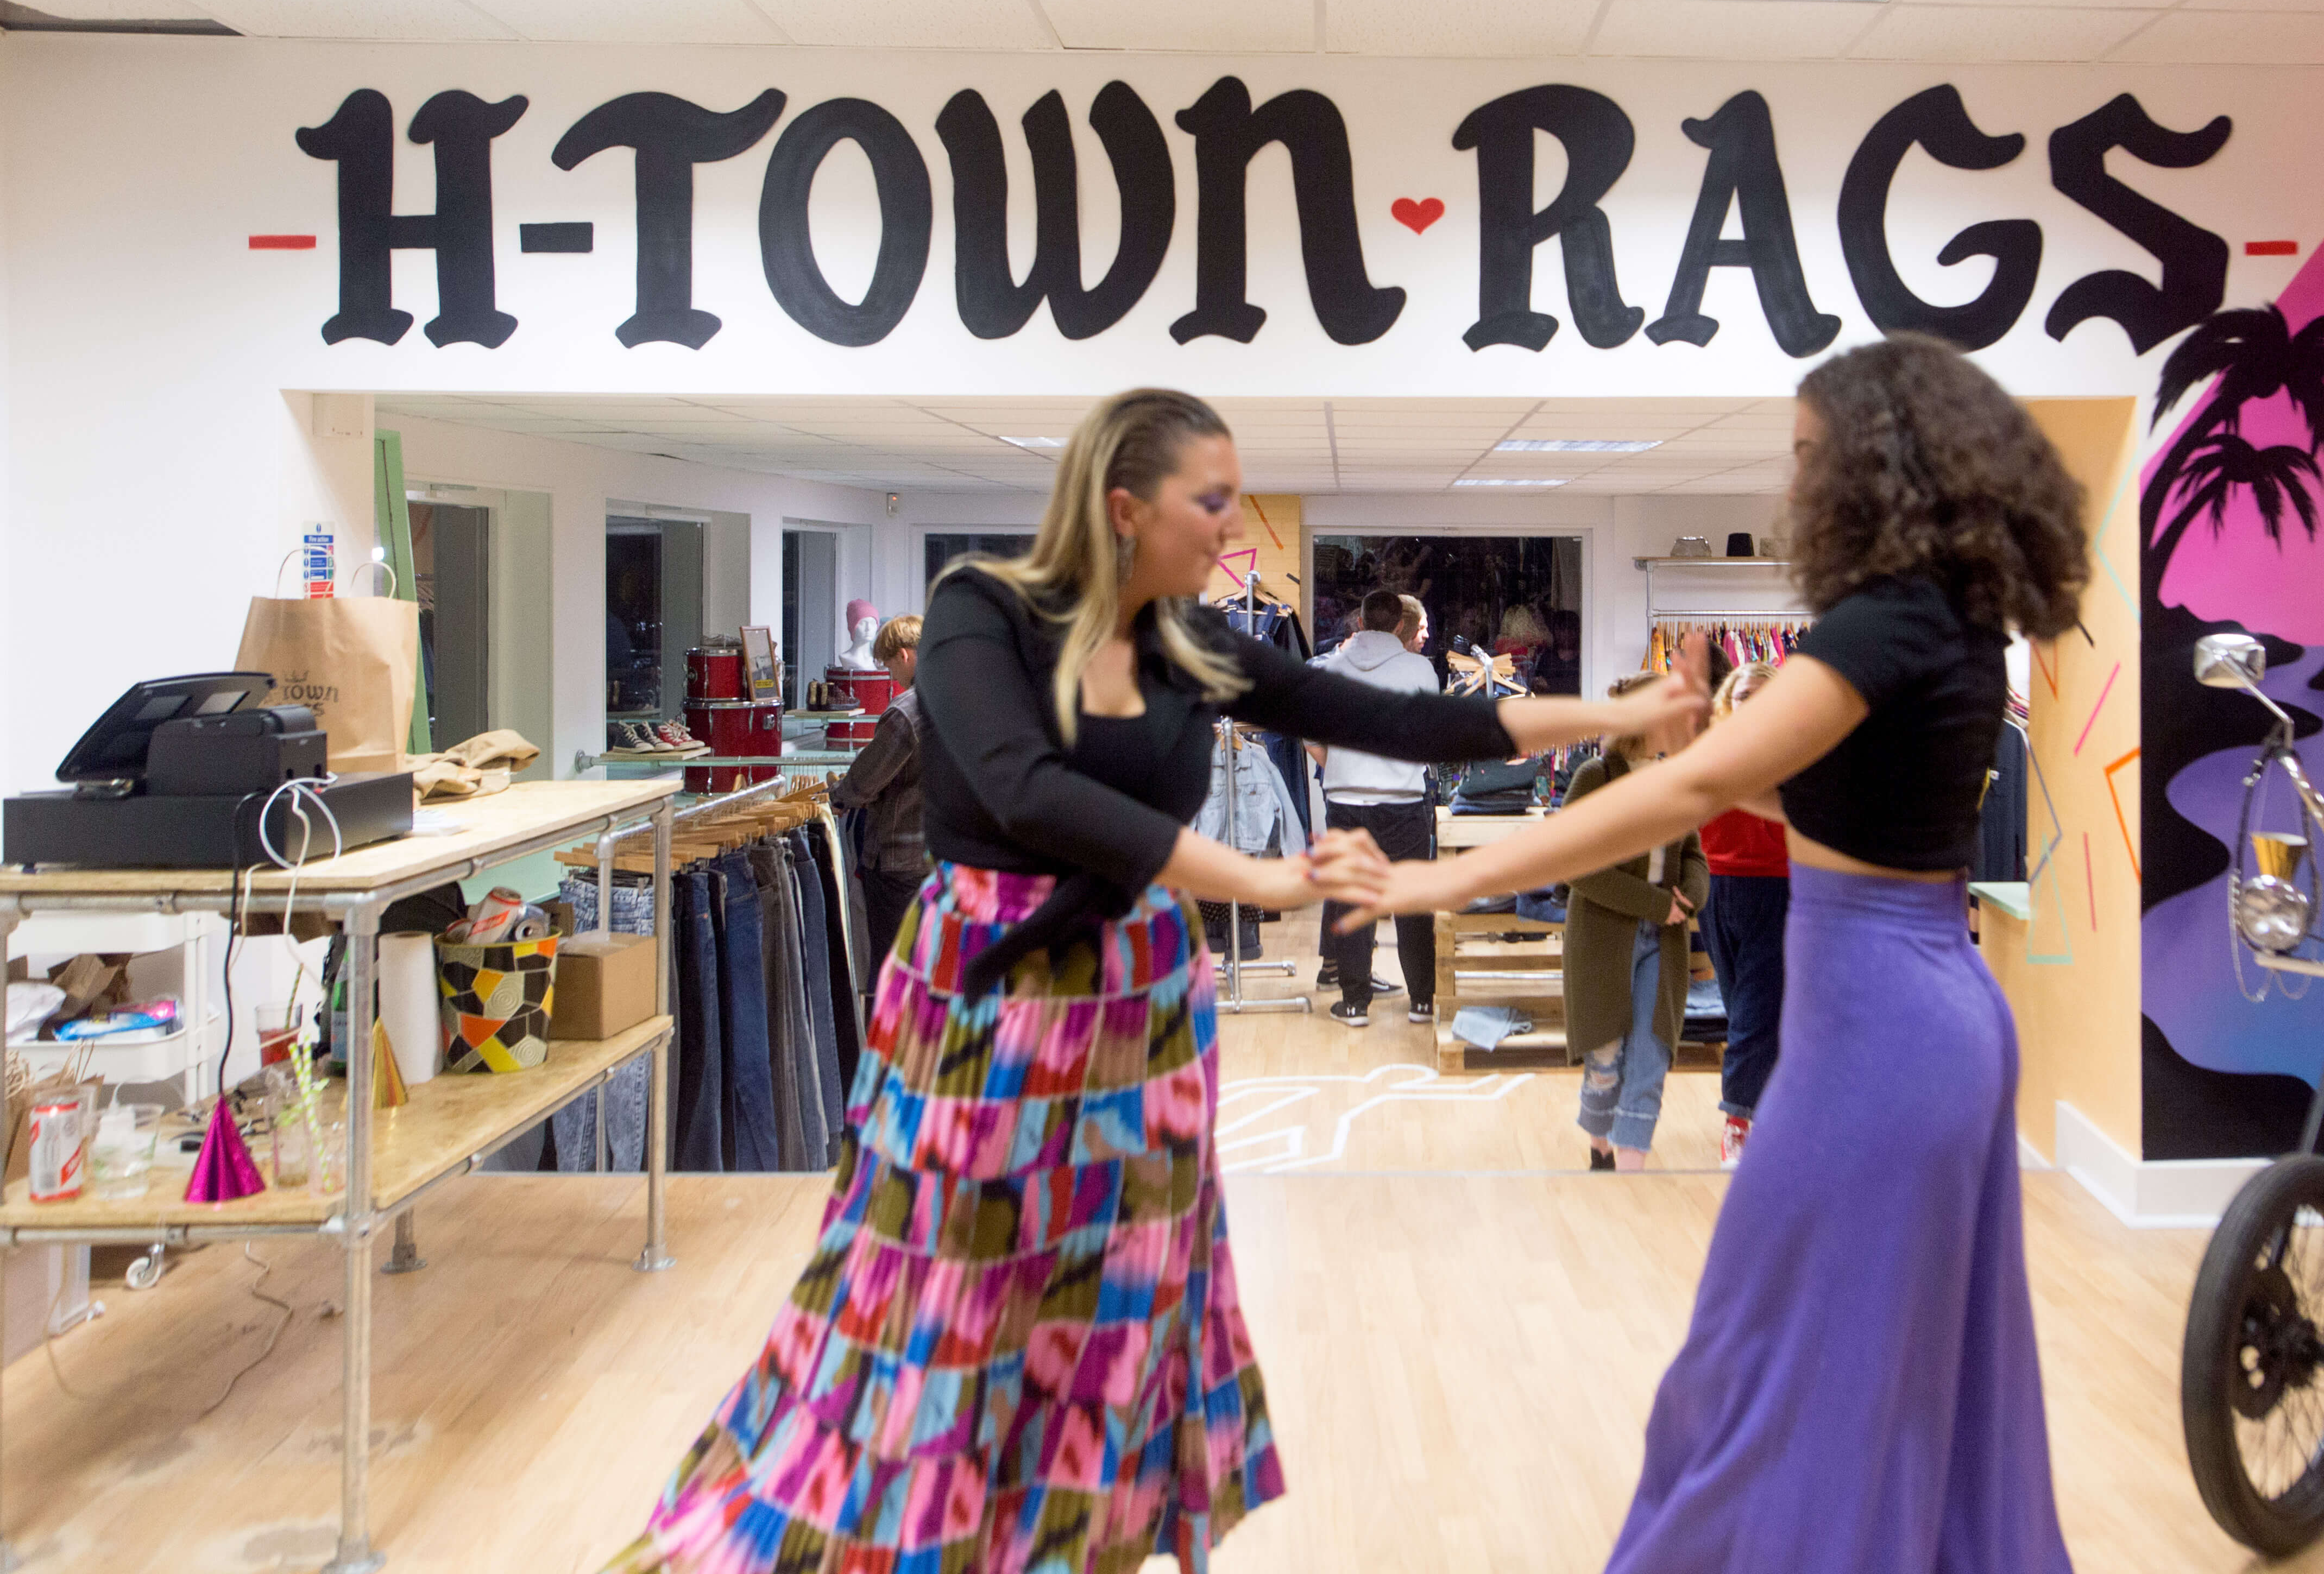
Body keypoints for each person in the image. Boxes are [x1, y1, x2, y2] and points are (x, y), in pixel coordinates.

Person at [607, 387, 1702, 1574]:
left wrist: (1617, 711)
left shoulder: (1192, 641)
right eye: (1211, 500)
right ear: (1125, 507)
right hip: (990, 990)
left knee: (1121, 1285)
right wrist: (1258, 875)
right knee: (944, 1285)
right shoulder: (983, 608)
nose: (1232, 526)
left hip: (1141, 994)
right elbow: (1028, 789)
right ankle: (915, 1538)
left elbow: (1398, 719)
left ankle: (1082, 1541)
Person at [1347, 335, 2089, 1573]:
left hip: (1885, 1034)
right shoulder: (1947, 618)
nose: (1792, 485)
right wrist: (1720, 741)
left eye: (1806, 456)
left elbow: (1687, 794)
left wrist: (1449, 875)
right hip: (1904, 1012)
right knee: (1837, 1367)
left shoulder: (1880, 623)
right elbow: (1830, 811)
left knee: (1773, 1372)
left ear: (1876, 465)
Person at [1562, 676, 1710, 1171]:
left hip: (1663, 939)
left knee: (1652, 1052)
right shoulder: (1595, 777)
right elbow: (1574, 865)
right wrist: (1655, 904)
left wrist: (1691, 895)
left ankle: (1631, 1170)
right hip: (1603, 937)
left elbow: (1694, 854)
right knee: (1605, 1057)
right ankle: (1601, 1150)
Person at [1313, 587, 1441, 1025]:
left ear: (1361, 622)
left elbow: (1310, 735)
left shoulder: (1332, 669)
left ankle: (1354, 1004)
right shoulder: (1420, 669)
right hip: (1403, 800)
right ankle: (1423, 1001)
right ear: (1401, 625)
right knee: (1412, 901)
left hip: (1346, 800)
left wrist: (1340, 768)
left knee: (1352, 899)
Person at [1696, 658, 1789, 1168]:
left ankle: (1738, 1121)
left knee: (1754, 1009)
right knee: (1740, 1006)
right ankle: (1769, 1110)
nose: (1750, 703)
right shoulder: (1711, 748)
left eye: (1760, 695)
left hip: (1776, 887)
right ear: (1727, 701)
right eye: (1742, 695)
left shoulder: (1793, 750)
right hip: (1717, 887)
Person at [825, 613, 927, 969]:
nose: (891, 676)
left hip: (899, 859)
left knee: (894, 970)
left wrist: (837, 796)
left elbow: (865, 781)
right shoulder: (959, 702)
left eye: (889, 665)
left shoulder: (908, 712)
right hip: (941, 856)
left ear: (904, 655)